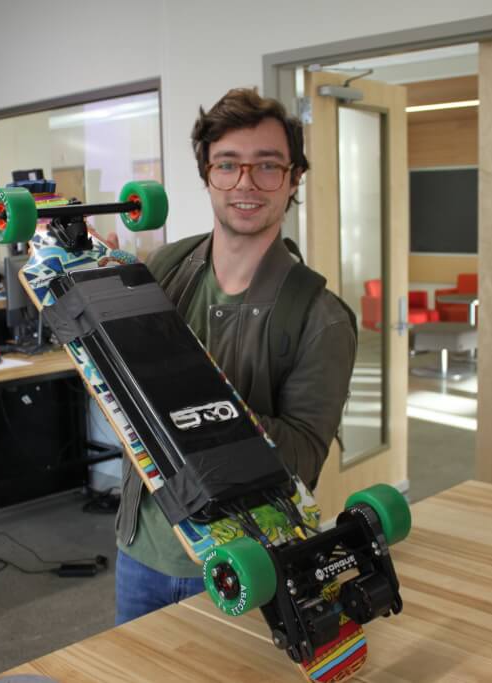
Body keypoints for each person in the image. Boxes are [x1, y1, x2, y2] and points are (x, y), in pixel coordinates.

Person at [114, 88, 357, 624]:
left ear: (294, 179)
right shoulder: (163, 269)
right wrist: (88, 289)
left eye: (267, 166)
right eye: (228, 165)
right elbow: (113, 382)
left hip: (243, 565)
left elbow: (299, 461)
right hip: (141, 552)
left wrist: (191, 395)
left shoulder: (321, 317)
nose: (246, 184)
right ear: (207, 174)